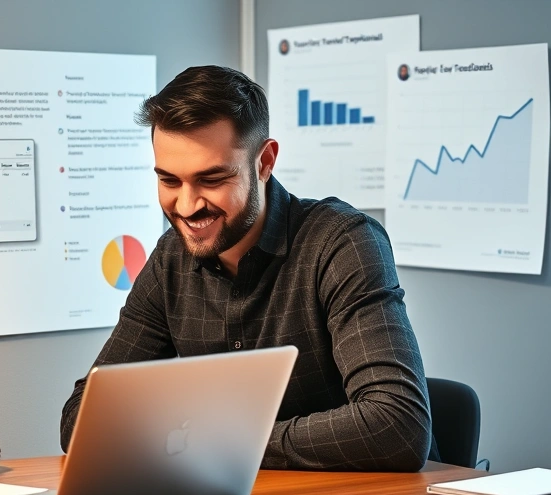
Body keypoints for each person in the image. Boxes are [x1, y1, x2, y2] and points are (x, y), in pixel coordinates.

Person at [60, 66, 436, 472]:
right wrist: (194, 441)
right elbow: (81, 419)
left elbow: (397, 425)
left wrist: (213, 442)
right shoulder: (171, 260)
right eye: (169, 181)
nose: (187, 206)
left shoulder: (342, 243)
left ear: (265, 162)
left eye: (212, 179)